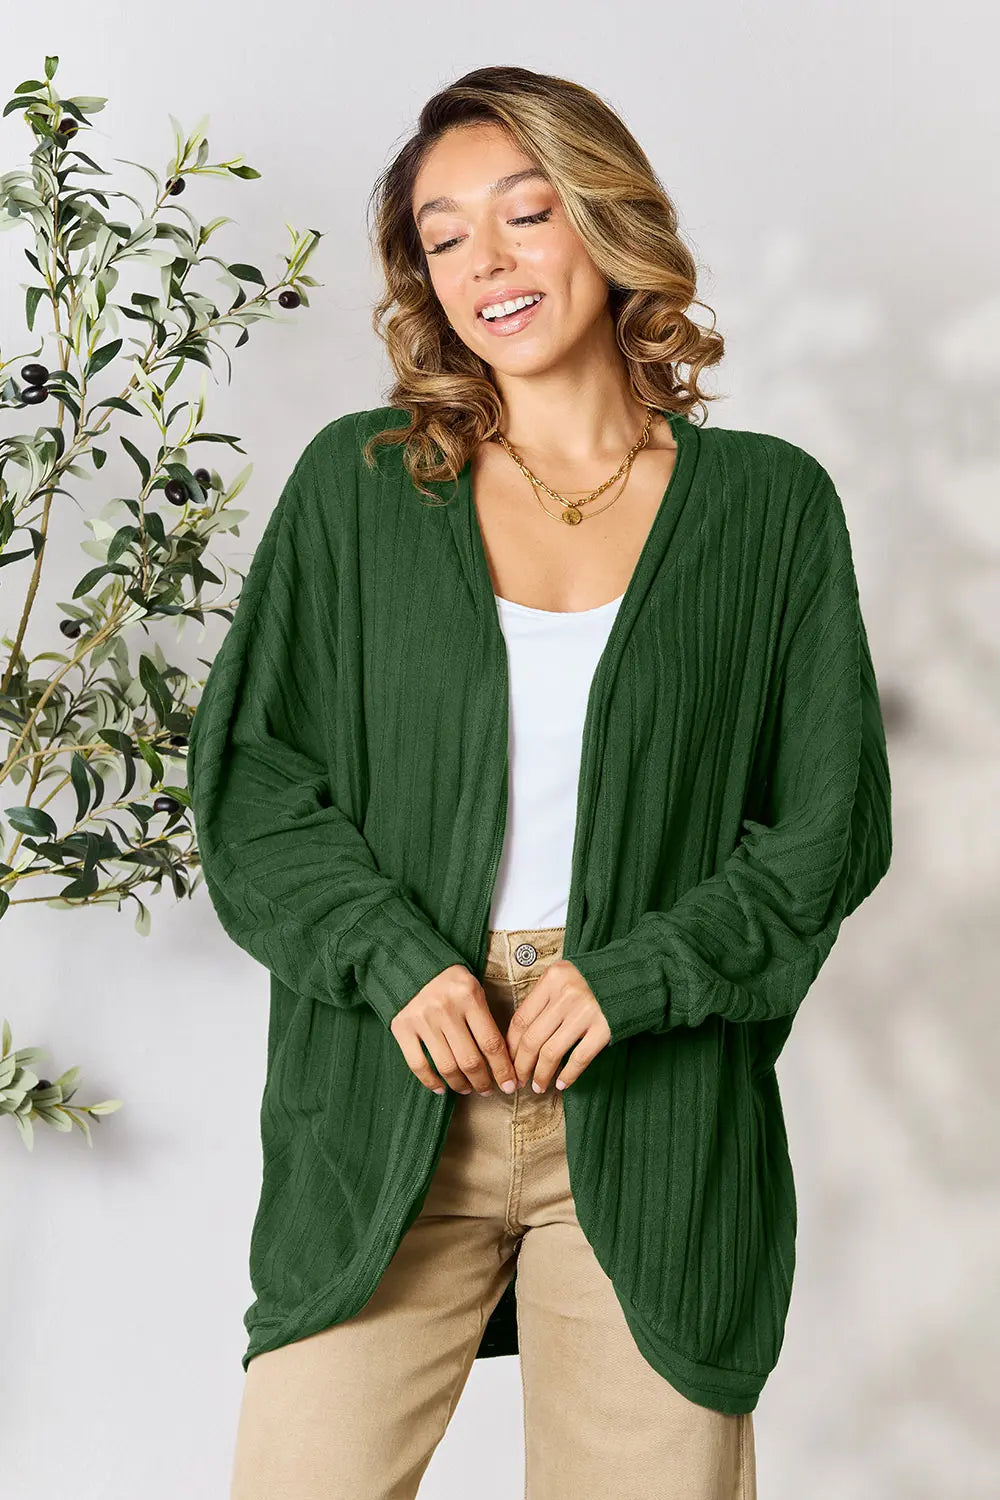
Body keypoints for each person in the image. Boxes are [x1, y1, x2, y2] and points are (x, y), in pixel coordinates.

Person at [188, 65, 892, 1500]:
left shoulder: (768, 507)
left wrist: (637, 977)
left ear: (605, 217)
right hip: (393, 1081)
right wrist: (394, 960)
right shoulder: (361, 487)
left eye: (525, 214)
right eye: (444, 236)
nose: (487, 265)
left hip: (654, 1099)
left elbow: (827, 826)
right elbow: (253, 783)